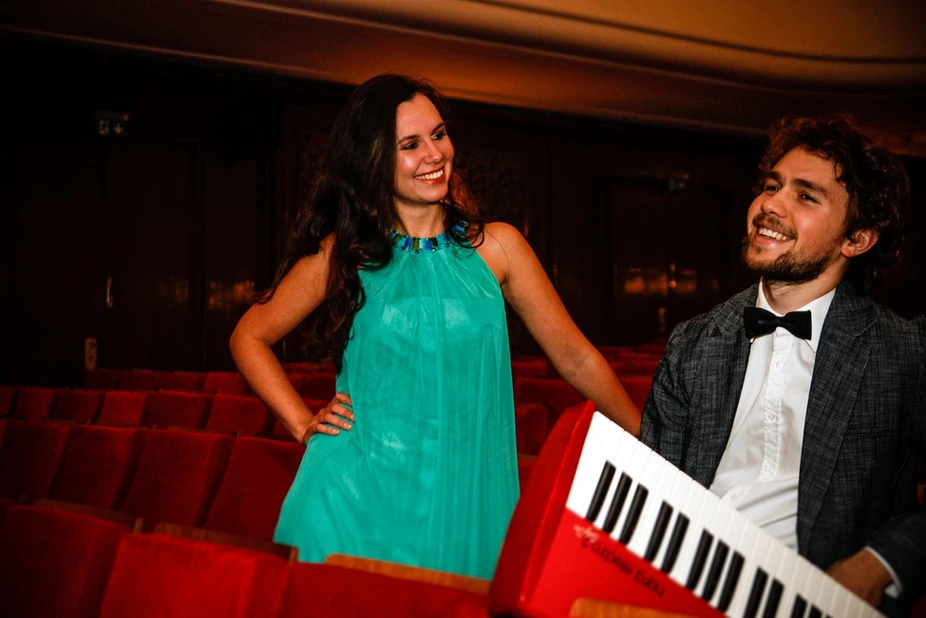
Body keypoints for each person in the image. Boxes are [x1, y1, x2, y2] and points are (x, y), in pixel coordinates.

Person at [230, 74, 640, 579]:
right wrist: (300, 423)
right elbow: (249, 336)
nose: (434, 153)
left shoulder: (499, 248)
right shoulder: (344, 254)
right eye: (410, 145)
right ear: (373, 160)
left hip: (464, 498)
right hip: (350, 499)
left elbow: (575, 357)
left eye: (439, 134)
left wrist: (646, 440)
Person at [640, 115, 925, 616]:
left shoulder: (904, 350)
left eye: (805, 196)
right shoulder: (693, 342)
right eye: (772, 186)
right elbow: (654, 487)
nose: (770, 204)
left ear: (857, 239)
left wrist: (879, 563)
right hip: (687, 588)